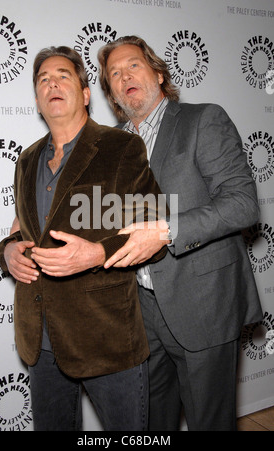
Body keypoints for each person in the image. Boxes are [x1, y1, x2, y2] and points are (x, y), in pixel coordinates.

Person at [0, 45, 170, 431]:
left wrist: (96, 254)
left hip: (105, 339)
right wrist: (7, 251)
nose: (52, 83)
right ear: (38, 101)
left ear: (86, 93)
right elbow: (22, 231)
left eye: (63, 76)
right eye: (43, 79)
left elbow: (155, 227)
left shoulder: (119, 147)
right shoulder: (26, 160)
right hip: (39, 339)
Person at [97, 35, 263, 431]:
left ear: (157, 72)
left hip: (202, 304)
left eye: (133, 65)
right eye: (114, 74)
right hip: (140, 311)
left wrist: (167, 231)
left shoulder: (203, 119)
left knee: (210, 421)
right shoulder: (113, 146)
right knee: (153, 422)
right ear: (112, 95)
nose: (124, 77)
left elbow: (243, 203)